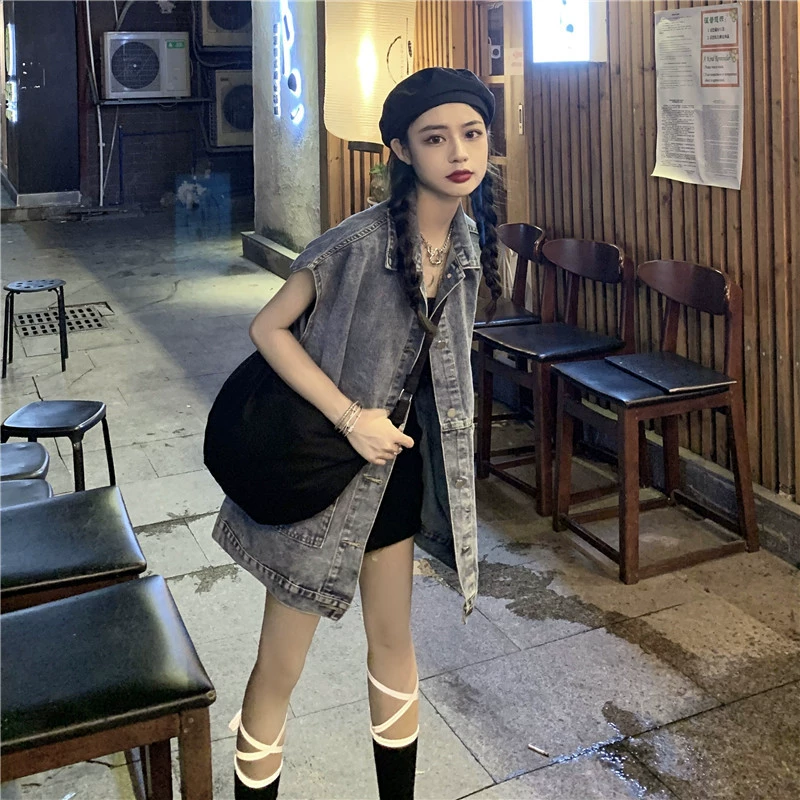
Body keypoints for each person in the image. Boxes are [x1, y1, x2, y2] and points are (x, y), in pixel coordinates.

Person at [211, 67, 501, 800]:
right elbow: (268, 328)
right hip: (320, 475)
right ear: (401, 149)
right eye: (435, 138)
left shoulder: (468, 243)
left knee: (395, 647)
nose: (458, 152)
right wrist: (350, 416)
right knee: (280, 668)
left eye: (472, 134)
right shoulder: (358, 243)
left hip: (393, 474)